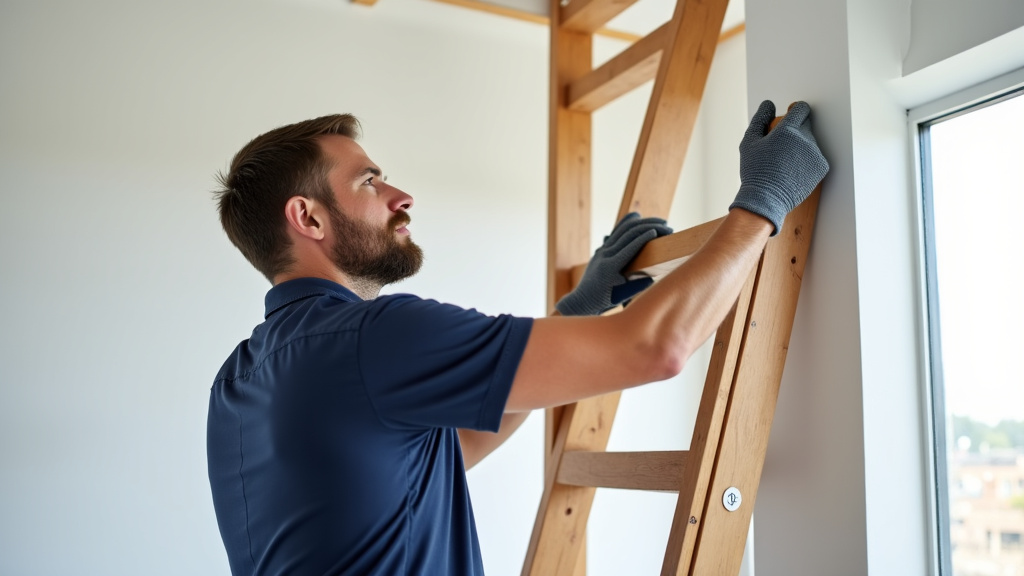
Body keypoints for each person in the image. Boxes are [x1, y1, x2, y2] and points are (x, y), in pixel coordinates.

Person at [207, 100, 828, 575]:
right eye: (369, 182)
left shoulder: (240, 378)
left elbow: (452, 452)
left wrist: (574, 314)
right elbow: (656, 349)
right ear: (308, 217)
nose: (401, 197)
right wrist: (761, 205)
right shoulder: (373, 335)